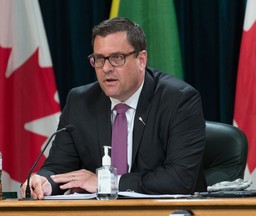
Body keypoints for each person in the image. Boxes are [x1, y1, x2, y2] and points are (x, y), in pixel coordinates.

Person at [20, 17, 207, 199]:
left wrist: (108, 183)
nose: (106, 68)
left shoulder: (178, 100)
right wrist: (43, 182)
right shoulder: (80, 102)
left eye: (117, 58)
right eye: (99, 59)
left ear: (141, 60)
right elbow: (59, 169)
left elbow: (180, 179)